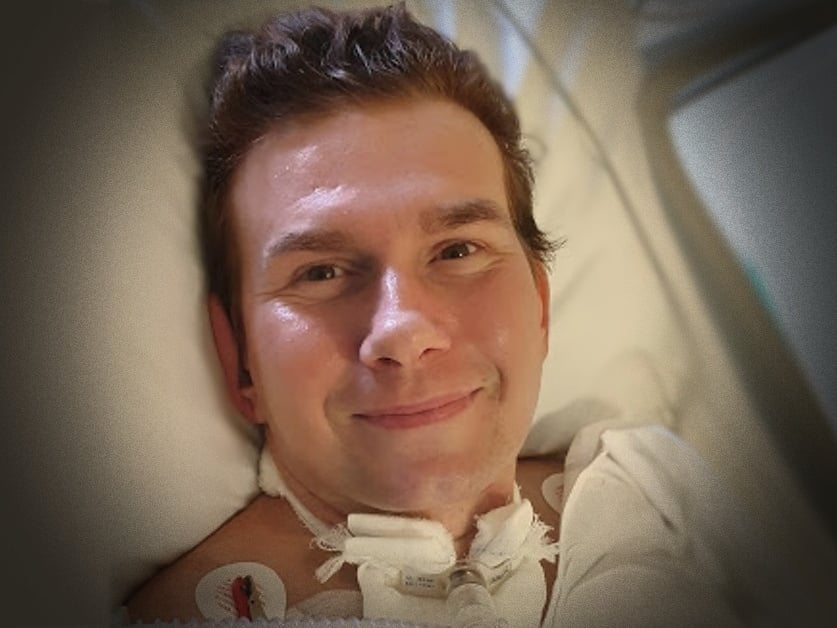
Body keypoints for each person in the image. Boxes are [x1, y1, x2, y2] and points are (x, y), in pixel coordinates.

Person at [125, 4, 785, 626]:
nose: (403, 330)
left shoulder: (659, 494)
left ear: (540, 307)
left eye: (457, 251)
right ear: (240, 359)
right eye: (320, 272)